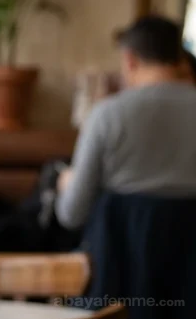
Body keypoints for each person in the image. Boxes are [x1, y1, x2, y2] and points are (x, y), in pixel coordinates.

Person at [56, 15, 196, 230]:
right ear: (179, 57)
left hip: (119, 259)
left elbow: (71, 214)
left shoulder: (107, 115)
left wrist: (67, 182)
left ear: (130, 60)